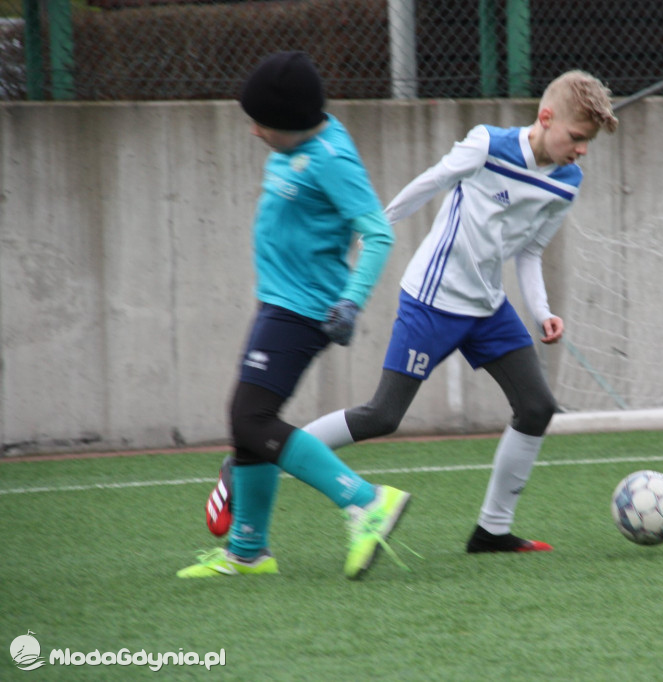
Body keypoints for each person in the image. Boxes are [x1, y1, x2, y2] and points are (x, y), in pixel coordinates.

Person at [206, 69, 618, 555]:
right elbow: (432, 181)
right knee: (382, 415)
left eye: (588, 142)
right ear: (546, 118)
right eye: (577, 137)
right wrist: (378, 225)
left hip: (488, 308)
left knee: (537, 407)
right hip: (431, 300)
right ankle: (258, 455)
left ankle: (492, 531)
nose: (582, 149)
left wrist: (542, 310)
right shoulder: (488, 145)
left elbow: (530, 251)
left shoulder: (567, 182)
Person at [178, 51, 410, 581]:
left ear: (292, 122)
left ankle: (365, 500)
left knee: (250, 418)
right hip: (278, 301)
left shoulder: (332, 159)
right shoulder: (298, 140)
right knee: (246, 425)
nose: (255, 131)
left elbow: (378, 234)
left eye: (263, 123)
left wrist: (351, 301)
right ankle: (247, 553)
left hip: (304, 309)